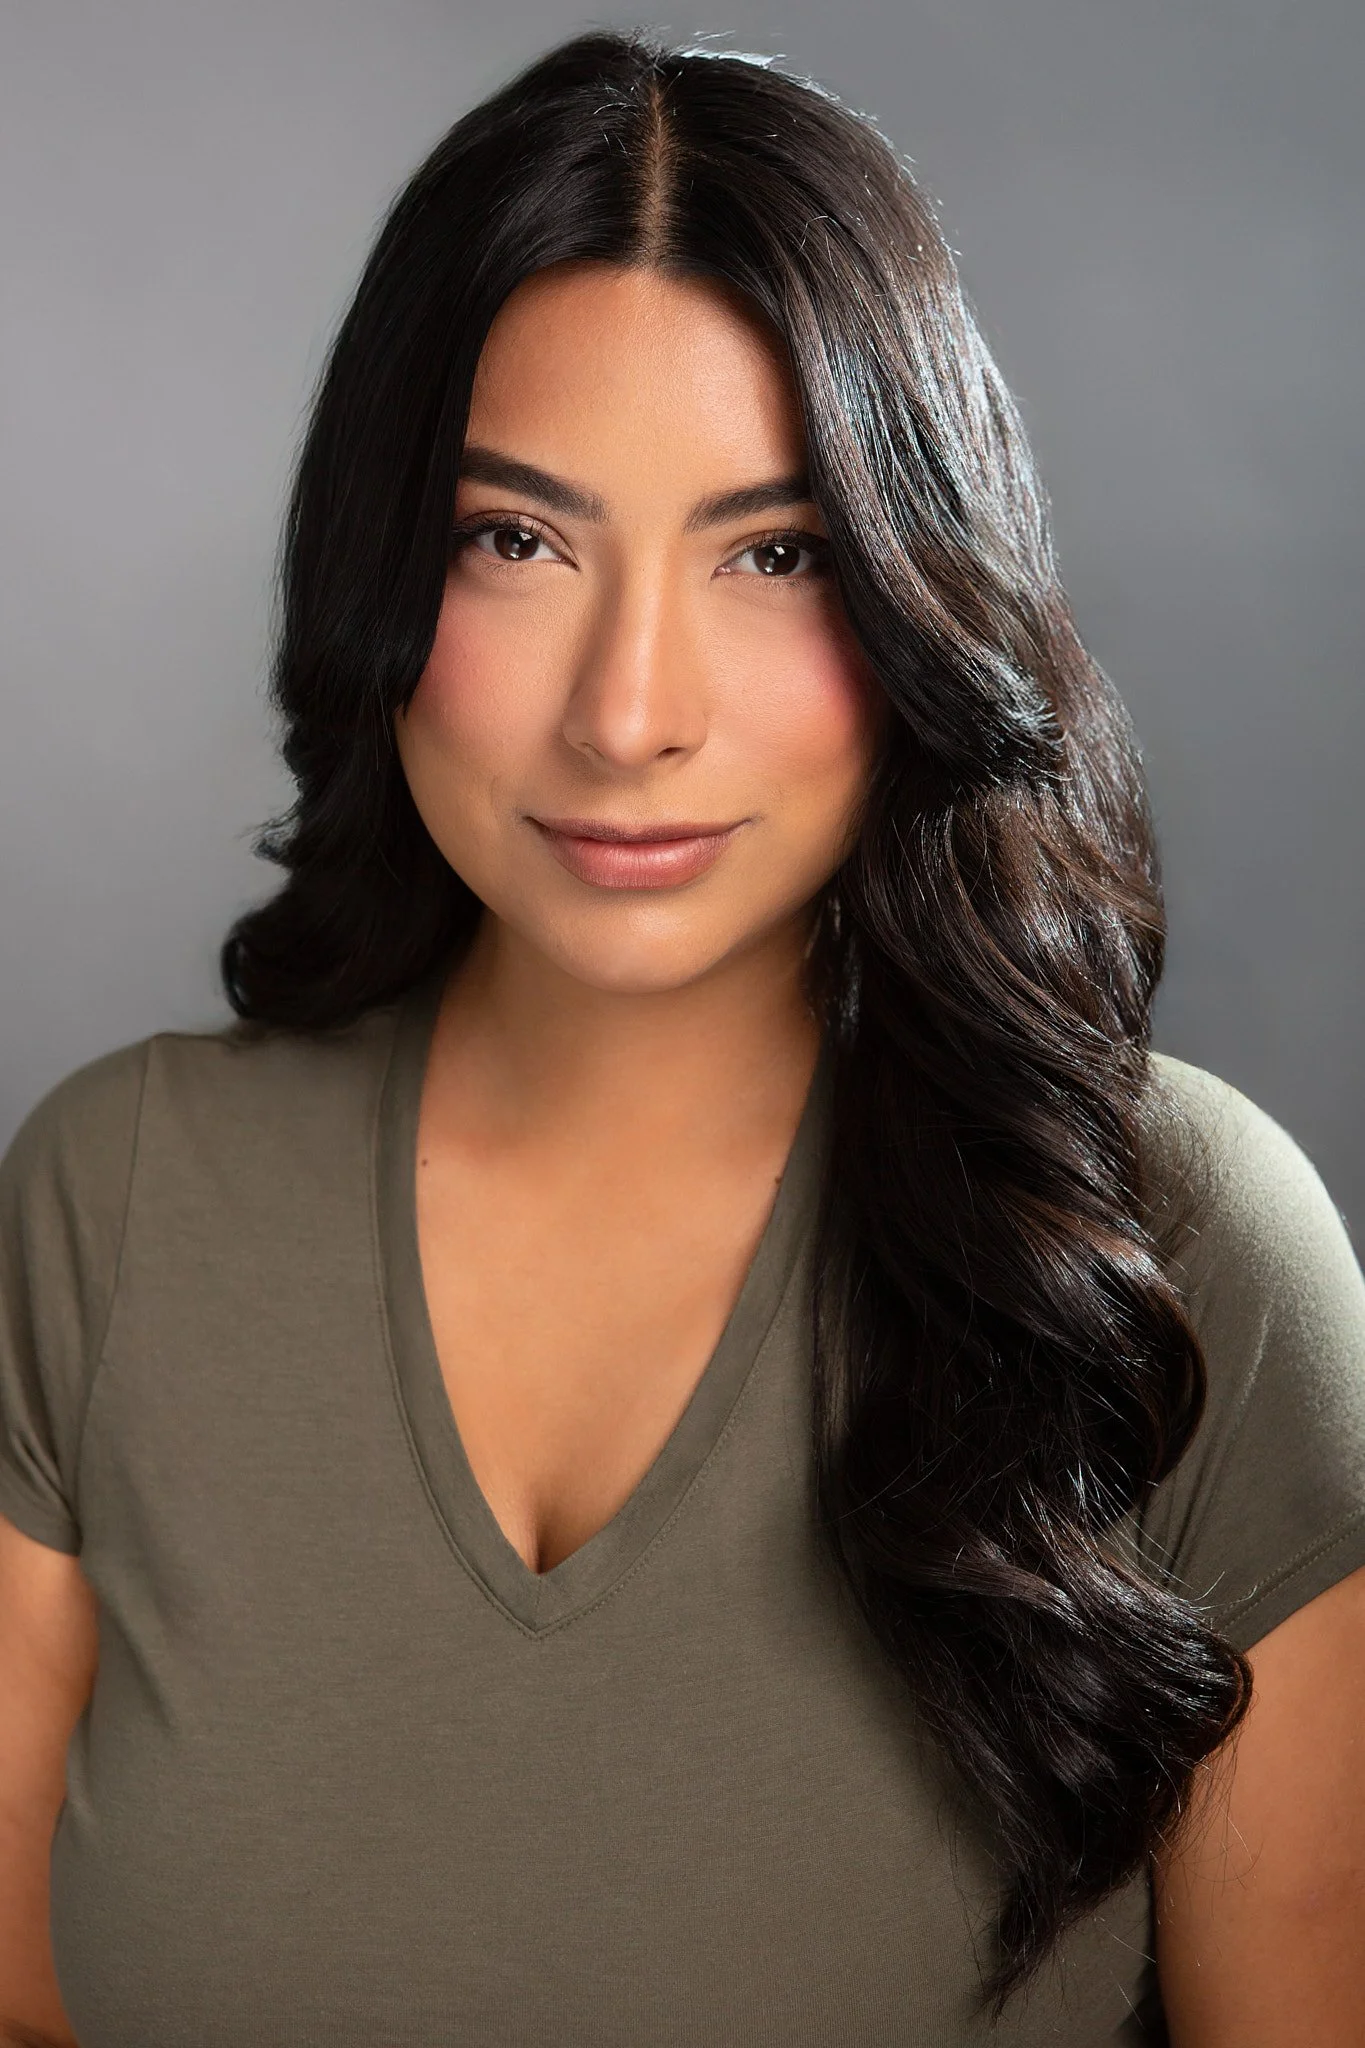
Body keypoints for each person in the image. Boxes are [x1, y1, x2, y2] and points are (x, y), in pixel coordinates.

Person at [1, 28, 1362, 2047]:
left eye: (773, 553)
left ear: (918, 596)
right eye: (516, 540)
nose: (628, 713)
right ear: (382, 562)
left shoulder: (1185, 1250)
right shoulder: (109, 1207)